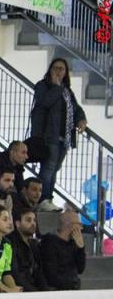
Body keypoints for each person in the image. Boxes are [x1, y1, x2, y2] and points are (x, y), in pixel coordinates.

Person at [31, 58, 86, 212]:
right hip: (49, 136)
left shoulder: (66, 89)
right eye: (56, 68)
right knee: (48, 168)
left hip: (64, 137)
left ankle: (48, 199)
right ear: (50, 69)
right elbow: (45, 102)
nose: (59, 71)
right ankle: (42, 199)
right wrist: (55, 87)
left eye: (62, 69)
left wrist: (81, 119)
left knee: (54, 169)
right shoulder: (43, 86)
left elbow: (75, 108)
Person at [41, 210, 86, 290]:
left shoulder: (74, 243)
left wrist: (81, 248)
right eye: (79, 224)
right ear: (70, 225)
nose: (81, 228)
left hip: (72, 287)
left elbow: (80, 269)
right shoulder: (49, 242)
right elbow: (51, 274)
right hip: (56, 290)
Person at [9, 208, 48, 291]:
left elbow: (39, 271)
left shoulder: (33, 244)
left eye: (34, 220)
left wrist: (45, 291)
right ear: (18, 224)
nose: (33, 223)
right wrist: (34, 292)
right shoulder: (10, 242)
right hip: (19, 289)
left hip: (33, 287)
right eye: (28, 220)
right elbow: (15, 273)